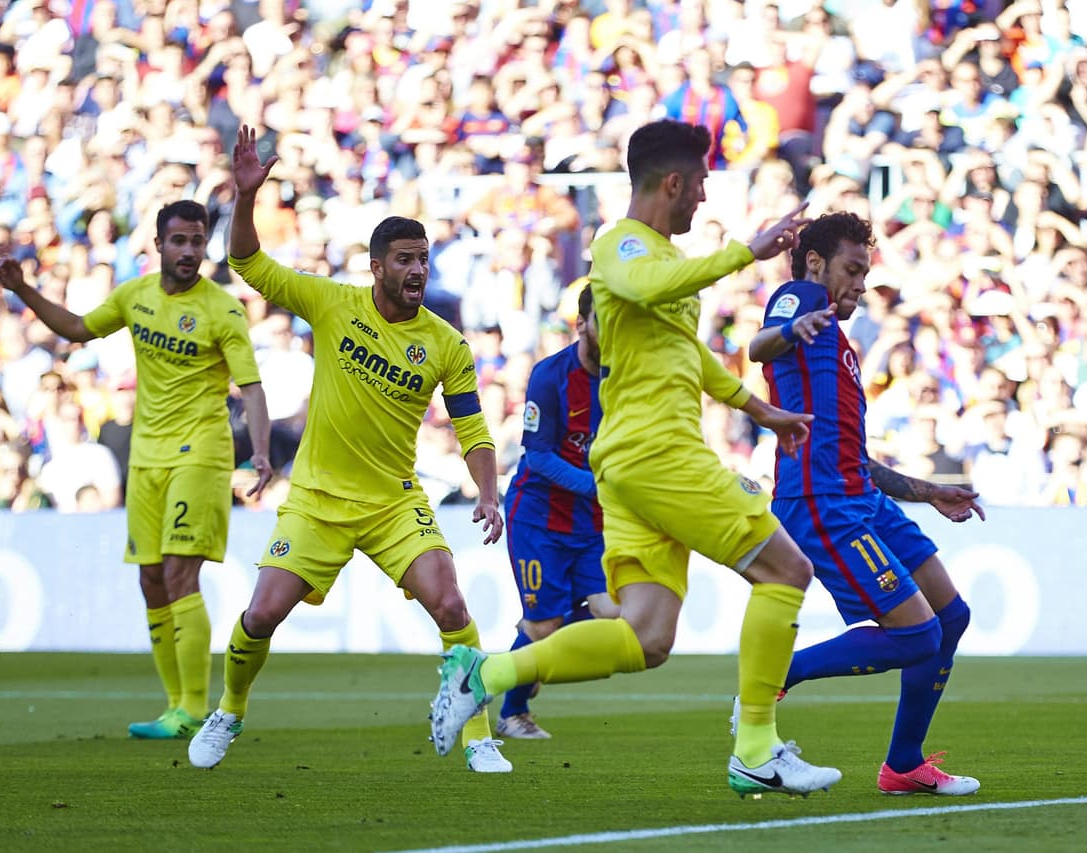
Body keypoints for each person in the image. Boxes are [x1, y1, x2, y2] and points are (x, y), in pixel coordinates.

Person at [432, 118, 842, 799]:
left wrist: (756, 406)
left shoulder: (662, 265)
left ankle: (487, 675)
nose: (705, 198)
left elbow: (686, 352)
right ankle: (757, 746)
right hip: (658, 454)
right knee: (786, 570)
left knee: (647, 638)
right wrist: (746, 251)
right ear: (673, 182)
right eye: (702, 183)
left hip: (636, 463)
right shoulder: (621, 245)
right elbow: (648, 285)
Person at [188, 126, 511, 774]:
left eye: (422, 258)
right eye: (403, 259)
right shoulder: (332, 304)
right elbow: (250, 264)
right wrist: (247, 199)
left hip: (393, 501)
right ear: (376, 266)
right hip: (315, 499)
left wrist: (488, 489)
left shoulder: (446, 343)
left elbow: (472, 426)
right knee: (259, 615)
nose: (417, 269)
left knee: (451, 604)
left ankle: (479, 735)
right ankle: (229, 709)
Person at [0, 199, 274, 740]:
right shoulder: (135, 295)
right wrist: (23, 289)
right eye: (180, 241)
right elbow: (77, 329)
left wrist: (259, 452)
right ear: (158, 244)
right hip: (146, 457)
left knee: (177, 573)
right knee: (151, 580)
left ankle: (194, 707)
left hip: (202, 453)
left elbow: (252, 386)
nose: (190, 251)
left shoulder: (222, 309)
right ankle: (174, 704)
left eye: (198, 241)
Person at [747, 211, 984, 796]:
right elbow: (758, 345)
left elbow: (857, 458)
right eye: (852, 270)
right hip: (821, 502)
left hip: (862, 497)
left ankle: (904, 765)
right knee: (916, 636)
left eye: (866, 272)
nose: (859, 283)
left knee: (950, 618)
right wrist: (793, 329)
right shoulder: (801, 299)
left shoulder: (841, 345)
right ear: (815, 262)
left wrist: (931, 492)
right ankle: (771, 679)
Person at [496, 283, 616, 740]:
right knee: (546, 624)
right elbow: (540, 456)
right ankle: (512, 711)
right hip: (540, 516)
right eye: (605, 319)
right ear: (582, 324)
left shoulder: (623, 376)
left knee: (614, 614)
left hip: (591, 522)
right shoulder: (550, 376)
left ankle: (533, 633)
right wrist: (597, 486)